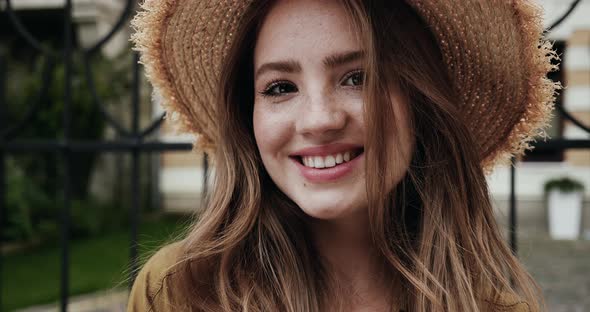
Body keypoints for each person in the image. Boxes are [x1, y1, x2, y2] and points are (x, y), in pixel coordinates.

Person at [129, 0, 559, 311]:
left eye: (358, 77)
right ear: (249, 116)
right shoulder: (180, 292)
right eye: (280, 87)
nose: (319, 120)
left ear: (420, 101)